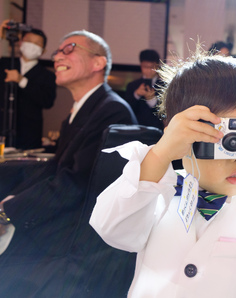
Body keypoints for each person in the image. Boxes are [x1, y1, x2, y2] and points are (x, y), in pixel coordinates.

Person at [90, 49, 236, 297]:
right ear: (181, 133)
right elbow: (112, 229)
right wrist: (160, 154)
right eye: (224, 138)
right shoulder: (157, 189)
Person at [0, 30, 137, 297]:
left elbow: (76, 183)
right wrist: (10, 202)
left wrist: (8, 212)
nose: (57, 56)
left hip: (84, 239)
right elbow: (55, 168)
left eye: (69, 48)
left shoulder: (112, 110)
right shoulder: (82, 109)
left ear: (98, 63)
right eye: (57, 52)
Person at [0, 20, 56, 149]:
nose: (32, 45)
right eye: (29, 41)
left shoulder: (47, 75)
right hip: (2, 126)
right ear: (20, 42)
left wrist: (22, 81)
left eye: (37, 44)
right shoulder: (5, 63)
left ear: (43, 50)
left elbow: (48, 101)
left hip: (28, 134)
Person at [125, 49, 165, 130]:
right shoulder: (132, 86)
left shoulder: (164, 86)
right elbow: (126, 110)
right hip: (136, 129)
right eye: (145, 67)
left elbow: (164, 113)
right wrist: (136, 95)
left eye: (152, 67)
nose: (148, 71)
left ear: (157, 67)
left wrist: (152, 100)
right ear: (141, 66)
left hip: (156, 130)